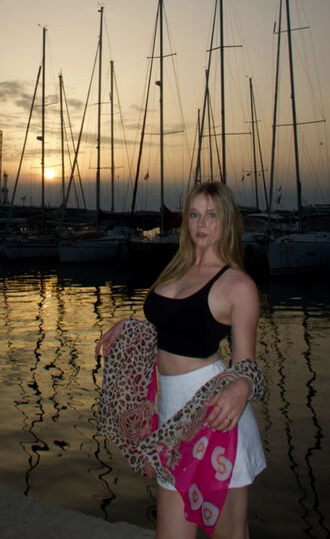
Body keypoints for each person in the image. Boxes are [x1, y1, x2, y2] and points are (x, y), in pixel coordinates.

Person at [98, 181, 266, 539]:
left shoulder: (238, 285)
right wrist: (131, 327)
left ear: (227, 221)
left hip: (216, 420)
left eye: (211, 215)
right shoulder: (176, 269)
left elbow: (247, 365)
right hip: (171, 424)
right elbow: (173, 327)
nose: (201, 224)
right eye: (194, 215)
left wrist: (241, 387)